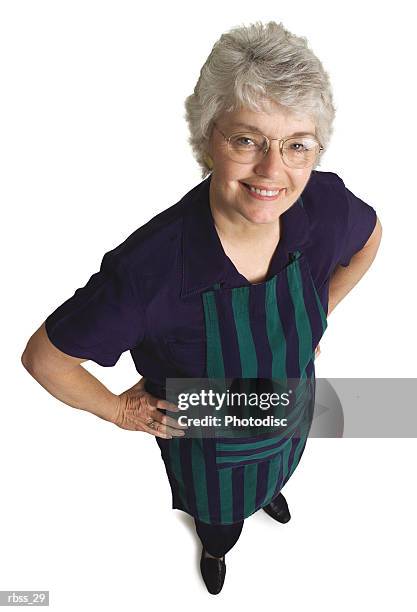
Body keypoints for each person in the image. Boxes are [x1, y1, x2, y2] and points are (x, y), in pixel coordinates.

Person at [21, 20, 382, 595]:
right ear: (207, 135)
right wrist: (119, 410)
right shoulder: (150, 269)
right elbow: (45, 358)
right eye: (247, 140)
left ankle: (270, 488)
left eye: (296, 145)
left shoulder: (326, 206)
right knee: (222, 522)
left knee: (283, 462)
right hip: (207, 443)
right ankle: (216, 545)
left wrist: (320, 312)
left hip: (288, 408)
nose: (273, 171)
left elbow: (370, 238)